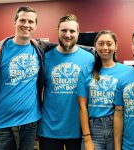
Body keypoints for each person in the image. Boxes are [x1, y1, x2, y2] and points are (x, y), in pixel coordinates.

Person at [0, 6, 52, 150]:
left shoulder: (39, 48)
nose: (26, 25)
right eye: (22, 20)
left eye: (30, 21)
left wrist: (94, 49)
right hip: (0, 126)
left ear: (35, 26)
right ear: (15, 22)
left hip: (29, 124)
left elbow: (67, 45)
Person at [37, 14, 95, 150]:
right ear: (58, 31)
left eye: (72, 31)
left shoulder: (89, 59)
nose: (67, 34)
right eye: (64, 30)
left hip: (79, 130)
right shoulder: (45, 58)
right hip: (49, 130)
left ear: (78, 32)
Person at [77, 30, 130, 150]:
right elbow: (82, 107)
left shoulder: (127, 72)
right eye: (101, 43)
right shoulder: (85, 71)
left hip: (118, 127)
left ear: (116, 46)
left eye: (109, 43)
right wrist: (87, 139)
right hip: (93, 129)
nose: (105, 47)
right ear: (95, 46)